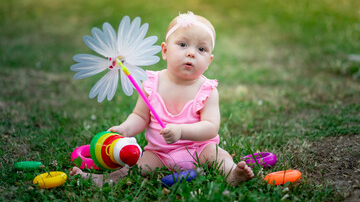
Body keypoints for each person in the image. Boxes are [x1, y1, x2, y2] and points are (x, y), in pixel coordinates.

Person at [70, 11, 254, 187]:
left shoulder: (207, 90)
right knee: (135, 167)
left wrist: (181, 131)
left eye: (201, 49)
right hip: (160, 153)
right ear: (165, 51)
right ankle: (102, 179)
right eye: (182, 45)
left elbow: (211, 128)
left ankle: (231, 173)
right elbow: (140, 116)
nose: (191, 53)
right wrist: (125, 129)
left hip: (200, 149)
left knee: (219, 156)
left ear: (209, 61)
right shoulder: (151, 84)